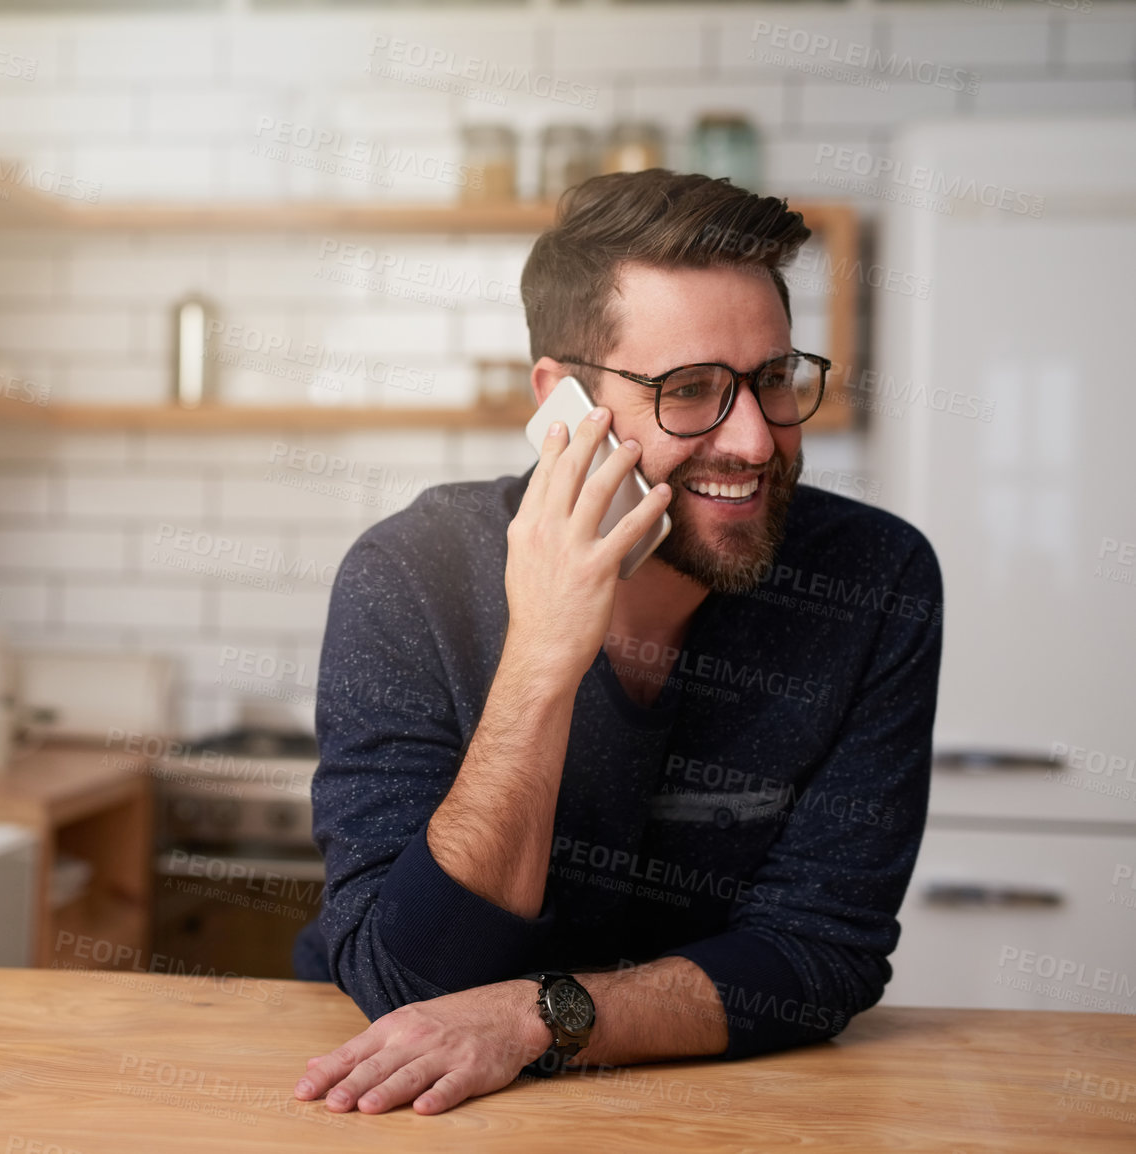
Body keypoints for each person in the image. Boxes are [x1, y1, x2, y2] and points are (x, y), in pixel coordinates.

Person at [290, 169, 944, 1117]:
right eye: (690, 392)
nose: (757, 441)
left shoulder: (875, 580)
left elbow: (819, 952)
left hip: (717, 1103)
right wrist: (544, 659)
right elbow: (409, 981)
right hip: (396, 1096)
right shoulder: (411, 573)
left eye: (771, 379)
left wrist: (542, 1016)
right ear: (564, 403)